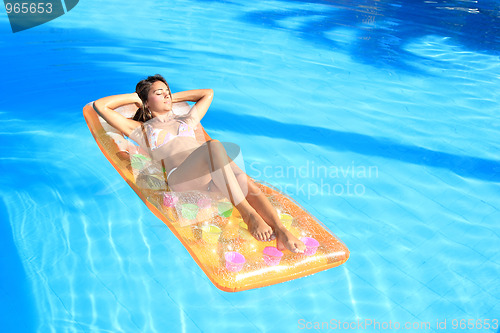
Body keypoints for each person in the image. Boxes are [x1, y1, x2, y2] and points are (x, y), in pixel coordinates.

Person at [94, 74, 305, 253]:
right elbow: (100, 106)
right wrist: (135, 98)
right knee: (213, 146)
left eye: (168, 91)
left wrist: (170, 97)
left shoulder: (186, 120)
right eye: (159, 93)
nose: (167, 94)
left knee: (242, 177)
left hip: (211, 179)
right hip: (182, 179)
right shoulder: (142, 130)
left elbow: (208, 93)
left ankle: (281, 230)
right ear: (146, 102)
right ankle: (248, 214)